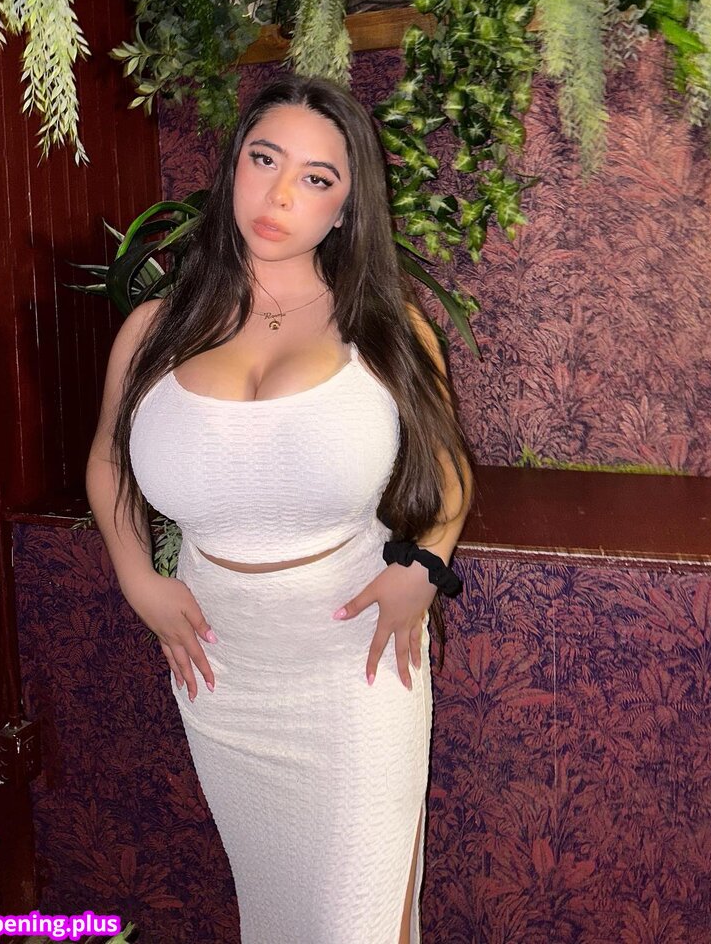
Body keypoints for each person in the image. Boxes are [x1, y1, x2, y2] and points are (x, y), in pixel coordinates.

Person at [86, 75, 472, 944]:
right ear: (234, 168)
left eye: (317, 177)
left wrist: (426, 565)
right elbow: (109, 459)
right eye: (265, 160)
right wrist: (137, 579)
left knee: (354, 923)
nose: (282, 193)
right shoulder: (152, 330)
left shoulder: (388, 327)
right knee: (277, 916)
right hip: (222, 672)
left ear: (345, 209)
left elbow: (449, 470)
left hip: (355, 664)